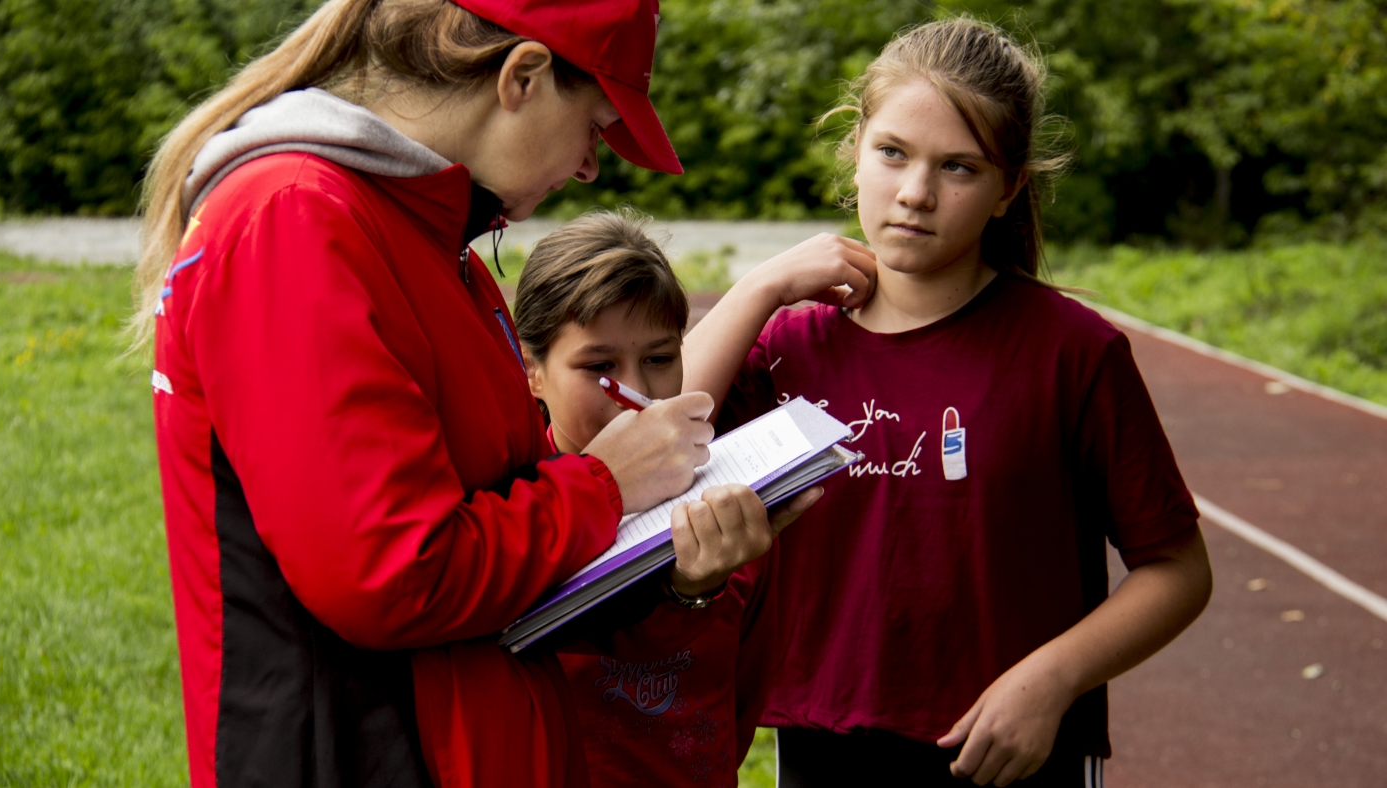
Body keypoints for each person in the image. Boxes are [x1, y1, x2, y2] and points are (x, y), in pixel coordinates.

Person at [134, 1, 827, 786]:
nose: (593, 165)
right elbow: (391, 575)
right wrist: (604, 484)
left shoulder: (435, 242)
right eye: (596, 127)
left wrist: (678, 571)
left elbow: (508, 528)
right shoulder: (294, 216)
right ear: (523, 78)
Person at [684, 18, 1214, 788]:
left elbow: (1179, 571)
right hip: (822, 746)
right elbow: (657, 441)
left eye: (958, 168)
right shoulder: (788, 344)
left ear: (1008, 190)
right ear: (856, 150)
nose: (916, 194)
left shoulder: (1072, 352)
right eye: (892, 153)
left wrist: (1052, 680)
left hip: (1012, 754)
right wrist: (758, 288)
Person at [513, 210, 831, 787]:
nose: (637, 395)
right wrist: (684, 593)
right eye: (600, 368)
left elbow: (744, 693)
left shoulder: (733, 500)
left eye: (660, 359)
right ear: (532, 369)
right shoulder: (511, 502)